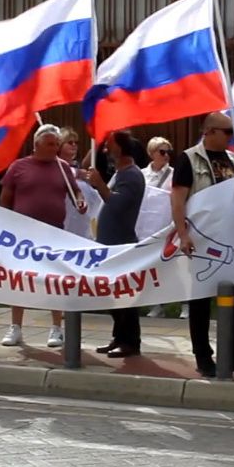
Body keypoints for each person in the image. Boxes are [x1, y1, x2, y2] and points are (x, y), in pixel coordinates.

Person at [171, 112, 234, 377]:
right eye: (226, 132)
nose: (230, 137)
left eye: (231, 132)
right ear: (209, 131)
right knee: (201, 299)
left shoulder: (233, 159)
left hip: (230, 240)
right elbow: (178, 199)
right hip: (201, 240)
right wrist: (182, 234)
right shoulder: (190, 159)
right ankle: (203, 355)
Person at [0, 124, 87, 348]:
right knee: (19, 279)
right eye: (50, 144)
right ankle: (16, 327)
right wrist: (5, 224)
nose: (54, 148)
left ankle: (56, 328)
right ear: (37, 144)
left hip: (54, 233)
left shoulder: (63, 167)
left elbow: (75, 190)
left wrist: (80, 199)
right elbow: (6, 197)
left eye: (57, 144)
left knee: (54, 280)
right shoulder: (18, 167)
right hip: (22, 236)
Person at [87, 130, 145, 358]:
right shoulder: (120, 173)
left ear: (120, 149)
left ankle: (130, 341)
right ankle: (119, 336)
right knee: (113, 294)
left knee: (124, 296)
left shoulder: (131, 175)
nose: (105, 150)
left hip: (121, 243)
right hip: (110, 243)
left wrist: (100, 185)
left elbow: (117, 204)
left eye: (109, 145)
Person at [142, 137, 178, 318]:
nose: (166, 156)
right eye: (162, 152)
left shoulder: (175, 174)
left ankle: (183, 303)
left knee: (173, 264)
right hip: (147, 227)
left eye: (168, 152)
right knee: (152, 266)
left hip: (167, 225)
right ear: (151, 153)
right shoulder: (142, 175)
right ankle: (155, 304)